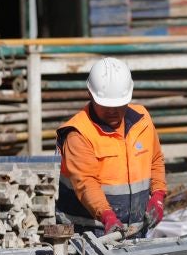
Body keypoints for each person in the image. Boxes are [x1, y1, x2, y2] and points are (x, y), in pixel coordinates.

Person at [55, 56, 166, 235]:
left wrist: (159, 194)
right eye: (105, 106)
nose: (113, 111)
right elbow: (86, 183)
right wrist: (107, 216)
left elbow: (155, 160)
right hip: (88, 233)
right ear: (90, 95)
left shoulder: (142, 120)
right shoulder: (78, 133)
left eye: (119, 105)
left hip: (135, 231)